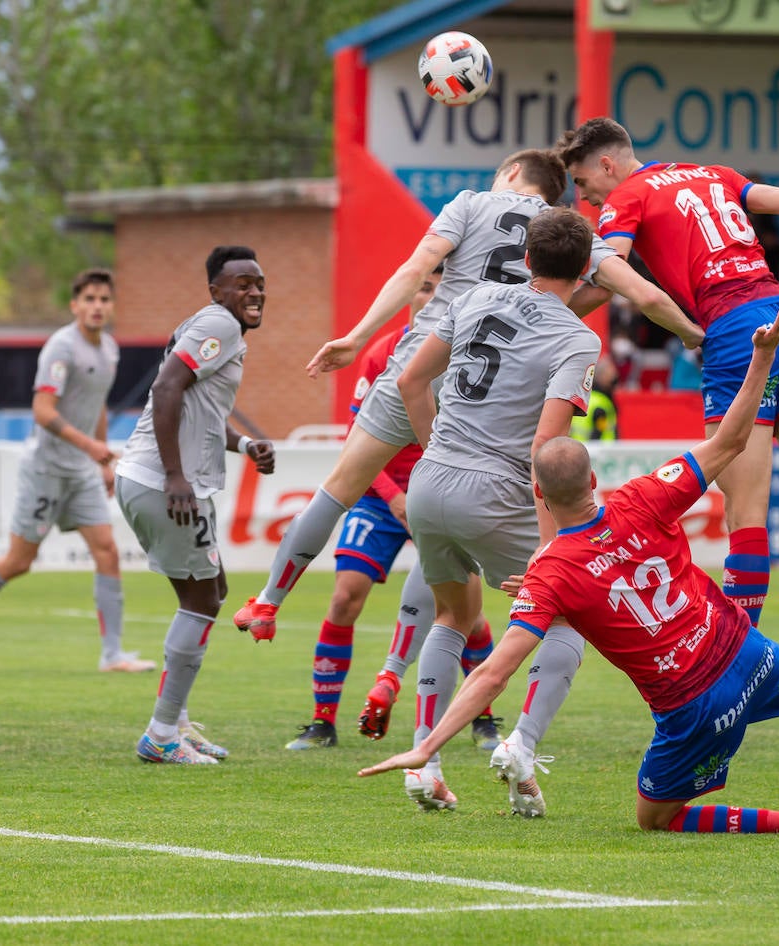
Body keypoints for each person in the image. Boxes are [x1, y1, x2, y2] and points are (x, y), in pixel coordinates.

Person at [359, 307, 779, 832]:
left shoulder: (552, 572)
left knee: (654, 818)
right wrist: (761, 360)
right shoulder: (644, 495)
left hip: (691, 701)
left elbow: (491, 675)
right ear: (592, 481)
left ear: (536, 491)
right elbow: (733, 438)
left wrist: (427, 746)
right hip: (742, 647)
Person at [230, 148, 701, 644]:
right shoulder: (568, 232)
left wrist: (357, 336)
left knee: (339, 487)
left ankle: (268, 600)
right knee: (524, 591)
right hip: (497, 386)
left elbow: (415, 271)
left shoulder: (471, 204)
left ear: (512, 173)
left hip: (426, 357)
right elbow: (640, 295)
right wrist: (694, 334)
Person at [557, 116, 779, 694]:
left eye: (581, 181)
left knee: (747, 515)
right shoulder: (712, 173)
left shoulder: (628, 194)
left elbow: (614, 278)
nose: (584, 197)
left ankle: (734, 669)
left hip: (733, 333)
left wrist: (554, 305)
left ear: (606, 163)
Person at [392, 206, 603, 813]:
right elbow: (547, 447)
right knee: (566, 618)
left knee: (452, 617)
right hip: (497, 490)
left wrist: (436, 451)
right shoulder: (576, 337)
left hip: (429, 482)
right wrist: (549, 540)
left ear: (527, 259)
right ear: (585, 267)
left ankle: (424, 764)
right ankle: (523, 748)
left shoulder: (478, 295)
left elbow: (410, 382)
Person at [285, 266, 503, 752]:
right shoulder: (383, 353)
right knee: (345, 596)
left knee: (464, 611)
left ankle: (484, 718)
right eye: (424, 287)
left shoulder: (472, 355)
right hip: (383, 497)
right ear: (410, 295)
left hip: (441, 494)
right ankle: (323, 722)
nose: (431, 297)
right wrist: (394, 495)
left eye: (440, 289)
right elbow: (357, 439)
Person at [0, 270, 152, 674]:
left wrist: (102, 463)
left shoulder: (109, 350)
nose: (97, 306)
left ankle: (112, 654)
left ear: (112, 306)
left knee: (107, 551)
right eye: (90, 299)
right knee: (19, 560)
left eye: (104, 299)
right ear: (75, 305)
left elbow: (96, 403)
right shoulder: (61, 348)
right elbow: (42, 411)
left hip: (81, 471)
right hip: (45, 469)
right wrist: (93, 446)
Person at [115, 246, 276, 764]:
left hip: (149, 478)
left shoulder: (209, 326)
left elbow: (195, 408)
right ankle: (162, 734)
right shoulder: (220, 325)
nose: (254, 292)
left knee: (212, 590)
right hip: (162, 482)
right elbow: (165, 387)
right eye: (242, 284)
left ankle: (177, 722)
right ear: (217, 292)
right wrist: (175, 476)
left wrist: (245, 445)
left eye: (258, 283)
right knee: (202, 601)